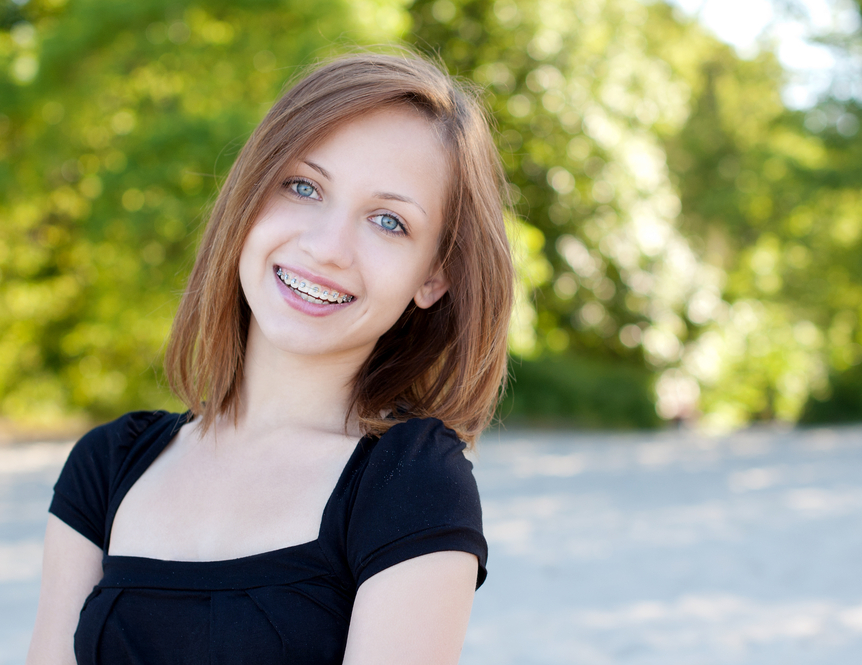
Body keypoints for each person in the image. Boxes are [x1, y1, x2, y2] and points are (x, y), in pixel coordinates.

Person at [25, 50, 514, 665]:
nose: (327, 248)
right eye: (304, 186)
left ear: (434, 277)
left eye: (388, 221)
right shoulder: (106, 467)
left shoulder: (410, 483)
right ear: (251, 196)